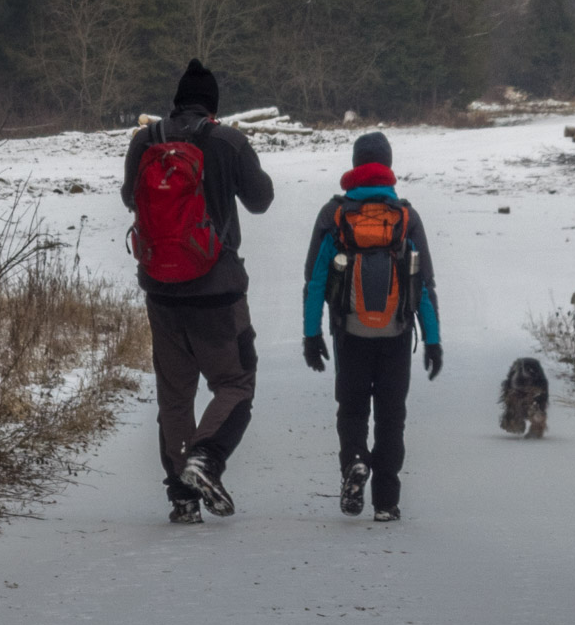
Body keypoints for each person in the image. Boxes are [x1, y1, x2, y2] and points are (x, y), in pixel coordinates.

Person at [122, 59, 274, 523]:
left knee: (175, 394)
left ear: (177, 101)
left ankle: (182, 498)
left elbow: (131, 197)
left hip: (160, 289)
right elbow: (261, 199)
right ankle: (205, 460)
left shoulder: (146, 141)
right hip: (217, 290)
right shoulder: (228, 141)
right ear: (212, 105)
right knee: (235, 383)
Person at [301, 132, 442, 522]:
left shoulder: (334, 214)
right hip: (396, 334)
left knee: (352, 411)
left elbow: (314, 280)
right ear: (388, 166)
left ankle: (355, 463)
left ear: (355, 163)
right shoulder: (406, 217)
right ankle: (386, 502)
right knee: (391, 415)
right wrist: (433, 340)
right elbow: (424, 285)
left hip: (350, 333)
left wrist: (311, 335)